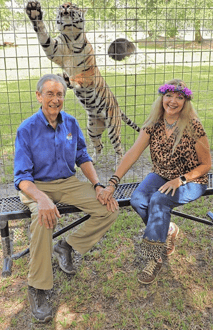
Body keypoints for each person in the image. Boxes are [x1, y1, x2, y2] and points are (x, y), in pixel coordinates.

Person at [14, 74, 119, 323]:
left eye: (59, 94)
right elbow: (21, 178)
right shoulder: (26, 129)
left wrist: (97, 185)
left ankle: (67, 246)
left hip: (68, 182)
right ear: (39, 96)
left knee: (109, 208)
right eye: (49, 94)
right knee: (43, 219)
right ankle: (38, 287)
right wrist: (42, 199)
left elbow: (82, 155)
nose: (55, 99)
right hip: (36, 185)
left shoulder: (70, 123)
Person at [99, 78, 212, 285]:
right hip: (161, 173)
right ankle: (167, 230)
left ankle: (154, 258)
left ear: (186, 102)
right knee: (138, 199)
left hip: (192, 180)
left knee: (159, 200)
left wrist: (181, 180)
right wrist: (113, 182)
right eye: (169, 95)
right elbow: (132, 153)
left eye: (180, 97)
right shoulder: (153, 124)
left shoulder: (193, 126)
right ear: (162, 98)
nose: (173, 101)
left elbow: (206, 165)